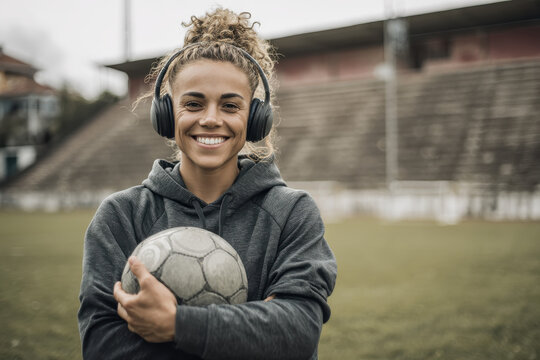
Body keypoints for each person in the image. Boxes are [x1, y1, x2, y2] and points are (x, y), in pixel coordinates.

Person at [78, 8, 337, 360]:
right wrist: (253, 327)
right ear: (167, 114)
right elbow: (103, 346)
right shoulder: (121, 215)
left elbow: (297, 332)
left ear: (256, 118)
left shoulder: (292, 212)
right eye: (194, 104)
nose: (211, 119)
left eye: (230, 106)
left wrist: (176, 326)